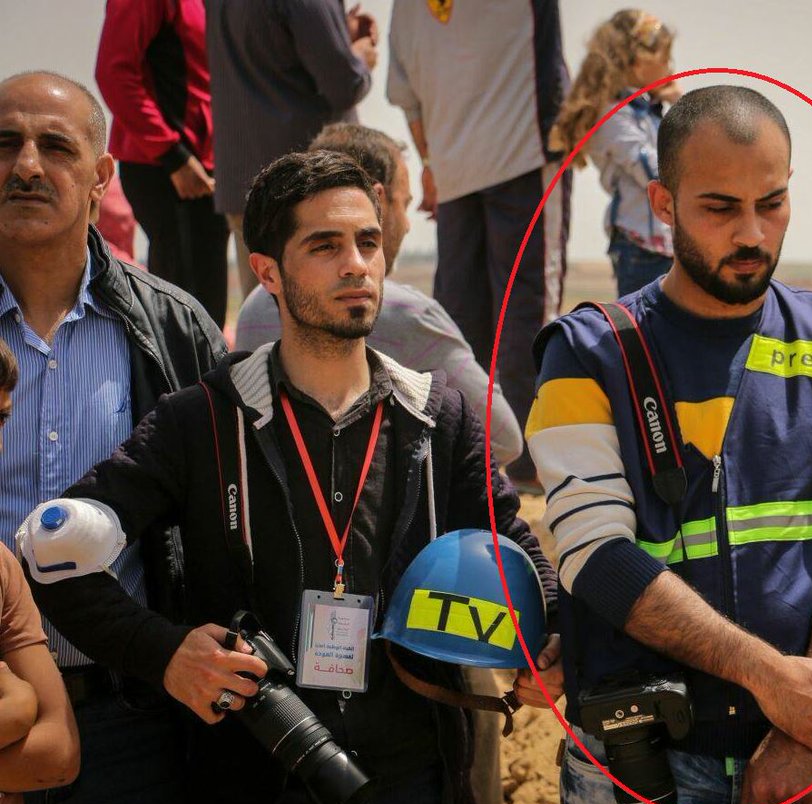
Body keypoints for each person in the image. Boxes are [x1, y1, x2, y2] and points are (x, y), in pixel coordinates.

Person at [26, 150, 561, 804]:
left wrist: (550, 634)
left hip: (415, 785)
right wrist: (165, 654)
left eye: (368, 242)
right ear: (268, 272)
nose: (356, 265)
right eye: (325, 246)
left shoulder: (439, 416)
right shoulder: (202, 420)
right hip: (258, 789)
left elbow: (508, 539)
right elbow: (54, 554)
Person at [527, 85, 812, 804]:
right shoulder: (586, 352)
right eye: (719, 208)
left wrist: (802, 728)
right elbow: (595, 552)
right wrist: (773, 680)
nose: (752, 233)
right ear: (662, 202)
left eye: (771, 203)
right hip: (642, 767)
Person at [0, 70, 226, 804]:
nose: (26, 165)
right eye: (5, 143)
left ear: (101, 178)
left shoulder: (174, 328)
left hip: (133, 724)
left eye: (55, 146)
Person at [237, 123, 524, 468]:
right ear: (379, 199)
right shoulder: (409, 314)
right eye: (405, 203)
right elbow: (502, 438)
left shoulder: (254, 304)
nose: (407, 224)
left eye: (366, 243)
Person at [387, 0, 571, 492]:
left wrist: (431, 163)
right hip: (524, 156)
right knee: (528, 311)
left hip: (452, 166)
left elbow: (406, 97)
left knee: (460, 321)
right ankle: (528, 462)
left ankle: (464, 456)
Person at [207, 0, 377, 297]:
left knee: (264, 314)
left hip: (246, 183)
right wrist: (360, 56)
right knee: (336, 311)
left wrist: (334, 33)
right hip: (311, 193)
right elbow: (344, 84)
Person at [95, 0, 230, 326]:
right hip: (169, 169)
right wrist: (173, 156)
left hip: (207, 165)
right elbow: (114, 73)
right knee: (186, 313)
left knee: (207, 309)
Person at [0, 339, 80, 804]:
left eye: (0, 420)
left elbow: (56, 753)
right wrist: (17, 701)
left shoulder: (2, 566)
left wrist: (20, 701)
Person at [553, 10, 678, 297]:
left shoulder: (647, 111)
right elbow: (653, 170)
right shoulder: (613, 116)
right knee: (644, 323)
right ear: (639, 62)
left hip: (664, 244)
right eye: (664, 59)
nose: (670, 68)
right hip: (641, 247)